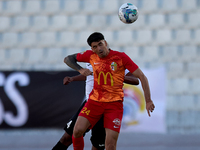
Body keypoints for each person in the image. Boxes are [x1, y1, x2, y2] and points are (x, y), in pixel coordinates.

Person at [64, 32, 155, 150]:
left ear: (105, 43)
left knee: (110, 145)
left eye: (100, 44)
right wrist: (80, 69)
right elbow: (68, 59)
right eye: (95, 47)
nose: (99, 49)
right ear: (91, 49)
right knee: (77, 131)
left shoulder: (121, 57)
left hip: (114, 105)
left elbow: (142, 77)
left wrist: (148, 101)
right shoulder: (90, 55)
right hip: (94, 102)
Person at [52, 62, 139, 150]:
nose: (96, 49)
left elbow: (135, 80)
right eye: (93, 47)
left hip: (107, 107)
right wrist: (73, 78)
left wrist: (116, 76)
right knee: (67, 138)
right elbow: (88, 74)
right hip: (89, 104)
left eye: (98, 47)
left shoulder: (118, 59)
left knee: (97, 146)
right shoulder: (91, 58)